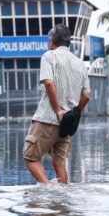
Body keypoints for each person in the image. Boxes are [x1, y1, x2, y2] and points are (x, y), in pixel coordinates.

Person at [23, 24, 91, 184]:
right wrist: (74, 113)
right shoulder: (80, 64)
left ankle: (49, 191)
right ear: (68, 43)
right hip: (66, 125)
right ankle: (63, 199)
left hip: (47, 119)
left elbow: (48, 83)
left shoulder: (49, 56)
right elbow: (87, 96)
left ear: (52, 41)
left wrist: (58, 110)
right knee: (59, 163)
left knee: (30, 158)